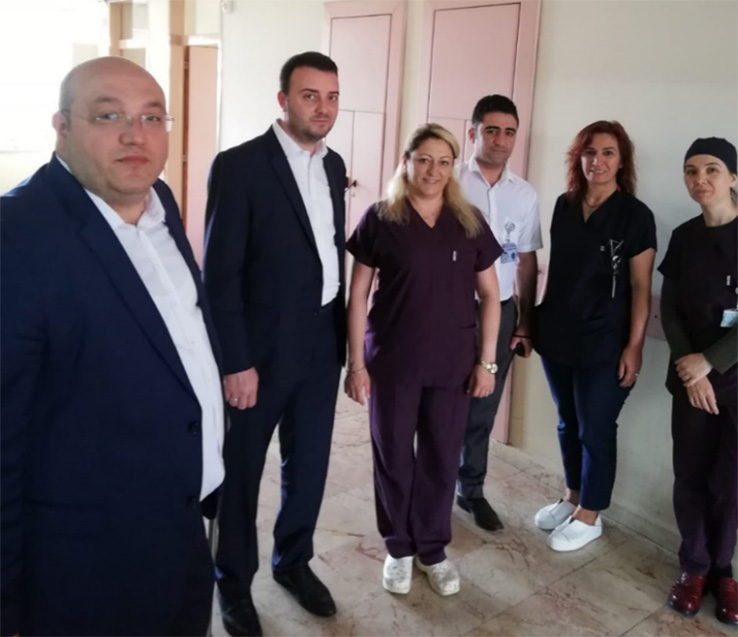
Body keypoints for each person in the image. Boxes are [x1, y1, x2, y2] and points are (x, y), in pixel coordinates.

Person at [1, 57, 223, 636]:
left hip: (182, 528)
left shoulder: (160, 199)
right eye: (109, 116)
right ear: (62, 127)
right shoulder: (15, 236)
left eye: (152, 116)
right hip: (87, 567)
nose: (135, 135)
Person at [203, 52, 346, 636]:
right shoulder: (239, 166)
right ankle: (233, 582)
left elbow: (327, 251)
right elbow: (220, 275)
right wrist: (235, 361)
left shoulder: (334, 165)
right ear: (284, 100)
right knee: (241, 471)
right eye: (310, 95)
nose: (323, 107)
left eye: (332, 97)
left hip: (322, 339)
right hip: (259, 351)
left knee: (309, 462)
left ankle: (294, 561)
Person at [345, 123, 502, 597]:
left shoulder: (468, 221)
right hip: (393, 360)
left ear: (453, 167)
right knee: (393, 453)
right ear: (406, 162)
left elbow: (491, 296)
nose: (433, 170)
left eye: (443, 161)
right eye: (424, 159)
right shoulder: (381, 218)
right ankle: (399, 546)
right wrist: (356, 364)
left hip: (452, 363)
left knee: (441, 455)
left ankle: (432, 548)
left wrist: (487, 363)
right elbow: (358, 295)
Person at [532, 120, 656, 552]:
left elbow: (640, 287)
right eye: (589, 152)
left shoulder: (635, 216)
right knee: (567, 422)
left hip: (605, 341)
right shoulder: (564, 205)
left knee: (596, 427)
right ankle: (573, 496)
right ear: (578, 158)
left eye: (607, 153)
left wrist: (634, 346)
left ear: (622, 161)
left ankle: (591, 513)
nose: (597, 161)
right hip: (558, 335)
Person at [659, 137, 737, 626]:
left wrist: (710, 361)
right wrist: (691, 367)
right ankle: (694, 566)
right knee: (689, 476)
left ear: (733, 177)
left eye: (711, 169)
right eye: (691, 170)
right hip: (690, 380)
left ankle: (723, 571)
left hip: (732, 380)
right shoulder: (685, 236)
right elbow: (669, 308)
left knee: (729, 482)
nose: (700, 179)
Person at [456, 95, 542, 531]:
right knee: (438, 405)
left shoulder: (524, 194)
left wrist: (525, 321)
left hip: (502, 312)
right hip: (448, 313)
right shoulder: (449, 180)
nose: (501, 140)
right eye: (491, 130)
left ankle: (470, 490)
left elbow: (526, 260)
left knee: (482, 408)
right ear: (473, 132)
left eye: (509, 132)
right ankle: (427, 487)